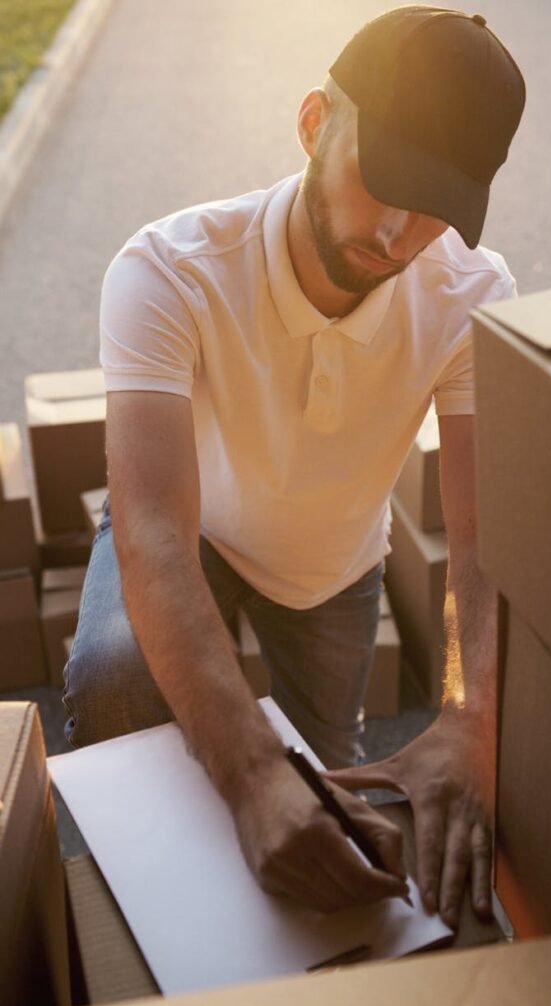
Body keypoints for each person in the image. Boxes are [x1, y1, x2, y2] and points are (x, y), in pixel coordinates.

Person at [63, 6, 526, 927]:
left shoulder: (472, 294)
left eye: (434, 206)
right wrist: (246, 776)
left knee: (327, 774)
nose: (397, 232)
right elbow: (152, 527)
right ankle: (141, 897)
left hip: (333, 561)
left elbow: (482, 537)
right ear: (315, 123)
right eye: (383, 180)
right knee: (119, 678)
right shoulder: (167, 270)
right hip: (190, 531)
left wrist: (469, 717)